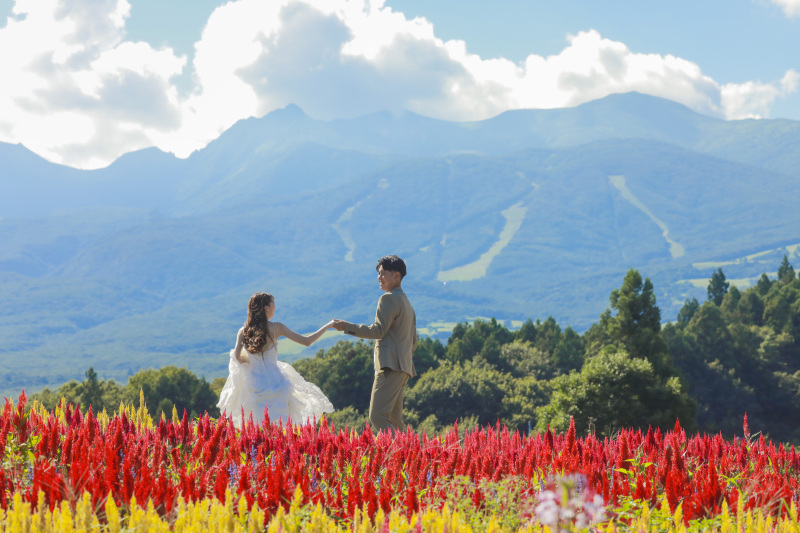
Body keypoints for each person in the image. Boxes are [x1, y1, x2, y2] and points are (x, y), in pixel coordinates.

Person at [217, 292, 334, 428]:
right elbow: (307, 341)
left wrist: (251, 362)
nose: (275, 307)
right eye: (273, 303)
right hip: (277, 384)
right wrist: (329, 325)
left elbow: (237, 357)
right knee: (281, 428)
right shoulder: (277, 328)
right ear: (266, 308)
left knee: (258, 429)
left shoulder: (244, 331)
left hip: (255, 386)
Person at [333, 255, 417, 431]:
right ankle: (410, 455)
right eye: (378, 274)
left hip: (390, 366)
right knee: (395, 420)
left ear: (396, 275)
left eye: (383, 273)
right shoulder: (407, 303)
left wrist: (346, 327)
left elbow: (378, 331)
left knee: (377, 416)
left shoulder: (388, 299)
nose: (379, 278)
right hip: (404, 368)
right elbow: (414, 341)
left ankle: (399, 455)